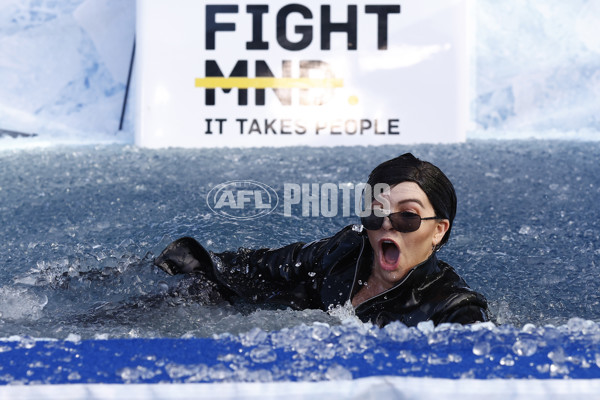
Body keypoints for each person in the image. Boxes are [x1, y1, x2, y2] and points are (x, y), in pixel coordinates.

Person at [154, 153, 489, 327]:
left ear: (438, 230)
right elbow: (262, 267)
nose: (387, 225)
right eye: (376, 213)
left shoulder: (454, 309)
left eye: (407, 216)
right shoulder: (346, 251)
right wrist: (198, 263)